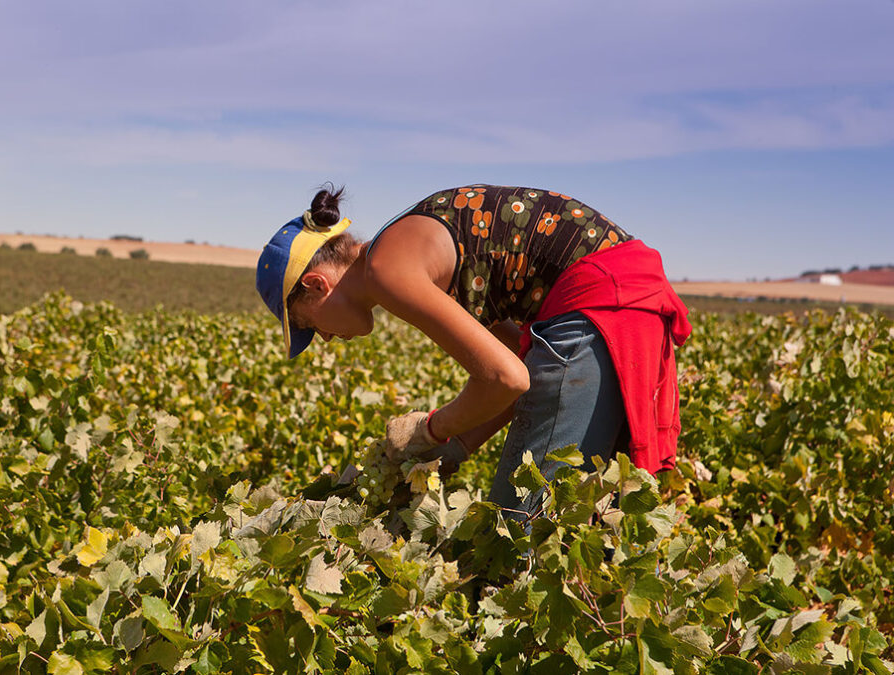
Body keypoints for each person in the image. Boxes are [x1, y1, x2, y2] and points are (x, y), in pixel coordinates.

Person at [256, 184, 691, 518]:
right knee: (600, 526)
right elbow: (518, 367)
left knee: (520, 537)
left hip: (599, 310)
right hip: (626, 307)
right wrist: (458, 446)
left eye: (309, 325)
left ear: (316, 285)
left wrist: (429, 430)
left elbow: (507, 379)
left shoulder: (387, 270)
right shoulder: (416, 252)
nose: (325, 338)